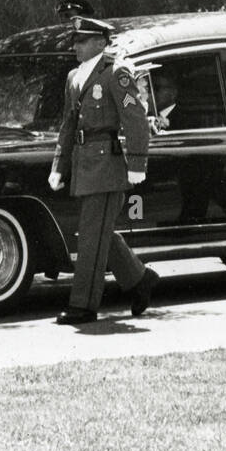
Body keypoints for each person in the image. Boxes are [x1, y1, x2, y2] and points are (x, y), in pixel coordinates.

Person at [48, 16, 157, 323]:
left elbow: (135, 119)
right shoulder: (74, 77)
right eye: (75, 41)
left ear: (100, 42)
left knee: (91, 237)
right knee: (98, 233)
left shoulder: (116, 72)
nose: (76, 46)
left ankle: (82, 305)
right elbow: (69, 125)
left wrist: (137, 162)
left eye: (82, 41)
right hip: (85, 165)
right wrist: (60, 165)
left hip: (107, 166)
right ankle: (139, 279)